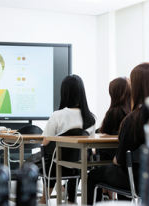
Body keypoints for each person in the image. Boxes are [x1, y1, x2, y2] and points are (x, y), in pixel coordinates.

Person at [87, 62, 149, 204]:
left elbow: (120, 160)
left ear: (136, 88)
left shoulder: (134, 119)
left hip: (138, 180)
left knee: (93, 175)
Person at [40, 74, 96, 204]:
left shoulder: (57, 115)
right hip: (80, 167)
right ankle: (72, 199)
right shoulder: (91, 118)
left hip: (56, 166)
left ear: (64, 92)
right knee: (76, 157)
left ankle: (44, 198)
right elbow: (91, 145)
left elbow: (45, 142)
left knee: (48, 158)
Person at [97, 77, 131, 161]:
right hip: (124, 158)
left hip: (113, 159)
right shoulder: (130, 112)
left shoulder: (114, 112)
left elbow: (105, 134)